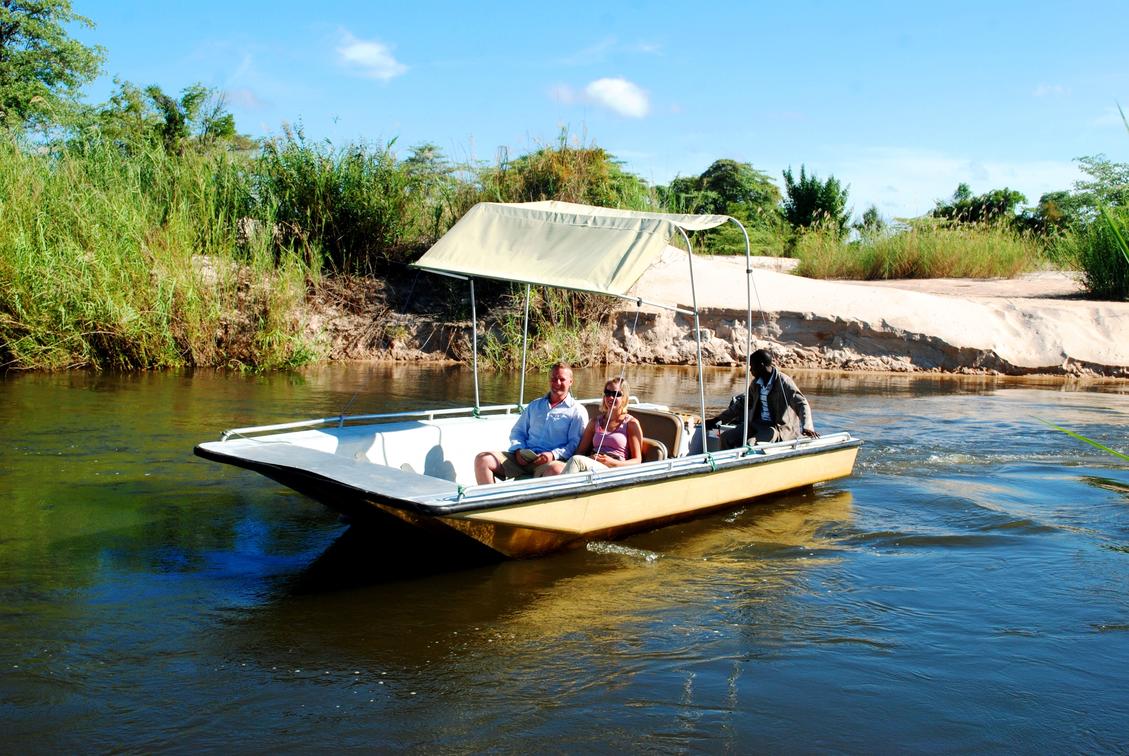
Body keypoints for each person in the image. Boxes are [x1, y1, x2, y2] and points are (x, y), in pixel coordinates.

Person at [474, 362, 588, 484]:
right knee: (483, 459)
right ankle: (492, 496)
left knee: (556, 470)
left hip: (551, 462)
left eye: (562, 379)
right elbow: (518, 432)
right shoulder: (535, 405)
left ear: (571, 382)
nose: (557, 383)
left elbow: (574, 445)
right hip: (523, 459)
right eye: (554, 379)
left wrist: (552, 455)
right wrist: (518, 450)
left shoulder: (577, 411)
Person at [690, 349, 819, 453]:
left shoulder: (784, 382)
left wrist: (807, 426)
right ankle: (726, 468)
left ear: (761, 366)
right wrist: (718, 420)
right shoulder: (756, 384)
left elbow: (801, 403)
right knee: (726, 438)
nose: (750, 370)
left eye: (752, 366)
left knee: (750, 444)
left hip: (776, 428)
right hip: (756, 424)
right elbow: (741, 405)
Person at [543, 376, 643, 475]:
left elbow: (637, 460)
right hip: (593, 465)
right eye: (607, 393)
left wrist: (613, 463)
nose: (610, 397)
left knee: (576, 461)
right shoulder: (595, 422)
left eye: (615, 394)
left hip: (614, 469)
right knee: (553, 467)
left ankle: (563, 485)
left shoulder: (631, 423)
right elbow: (580, 452)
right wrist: (589, 458)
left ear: (624, 397)